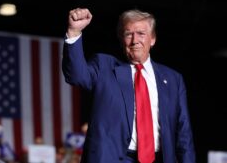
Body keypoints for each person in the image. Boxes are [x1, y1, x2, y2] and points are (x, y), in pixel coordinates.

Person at [62, 8, 196, 163]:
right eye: (128, 34)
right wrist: (74, 31)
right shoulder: (104, 66)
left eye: (141, 33)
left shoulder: (173, 79)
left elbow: (183, 134)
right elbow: (76, 76)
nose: (134, 40)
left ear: (152, 39)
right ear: (121, 39)